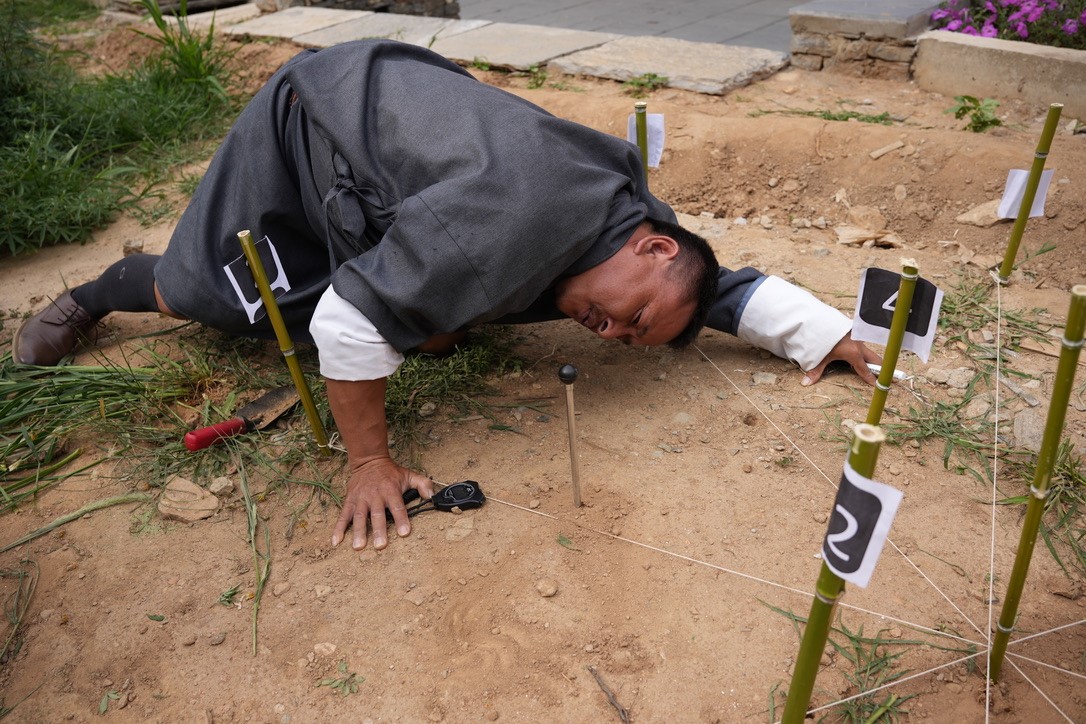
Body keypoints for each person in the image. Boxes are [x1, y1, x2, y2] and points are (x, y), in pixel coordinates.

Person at [11, 39, 878, 551]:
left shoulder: (629, 226)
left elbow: (710, 288)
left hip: (403, 145)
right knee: (228, 296)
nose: (612, 335)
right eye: (633, 319)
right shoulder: (509, 224)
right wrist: (368, 462)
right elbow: (349, 323)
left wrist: (823, 333)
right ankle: (112, 284)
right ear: (649, 248)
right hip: (312, 123)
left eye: (625, 341)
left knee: (427, 312)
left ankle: (420, 305)